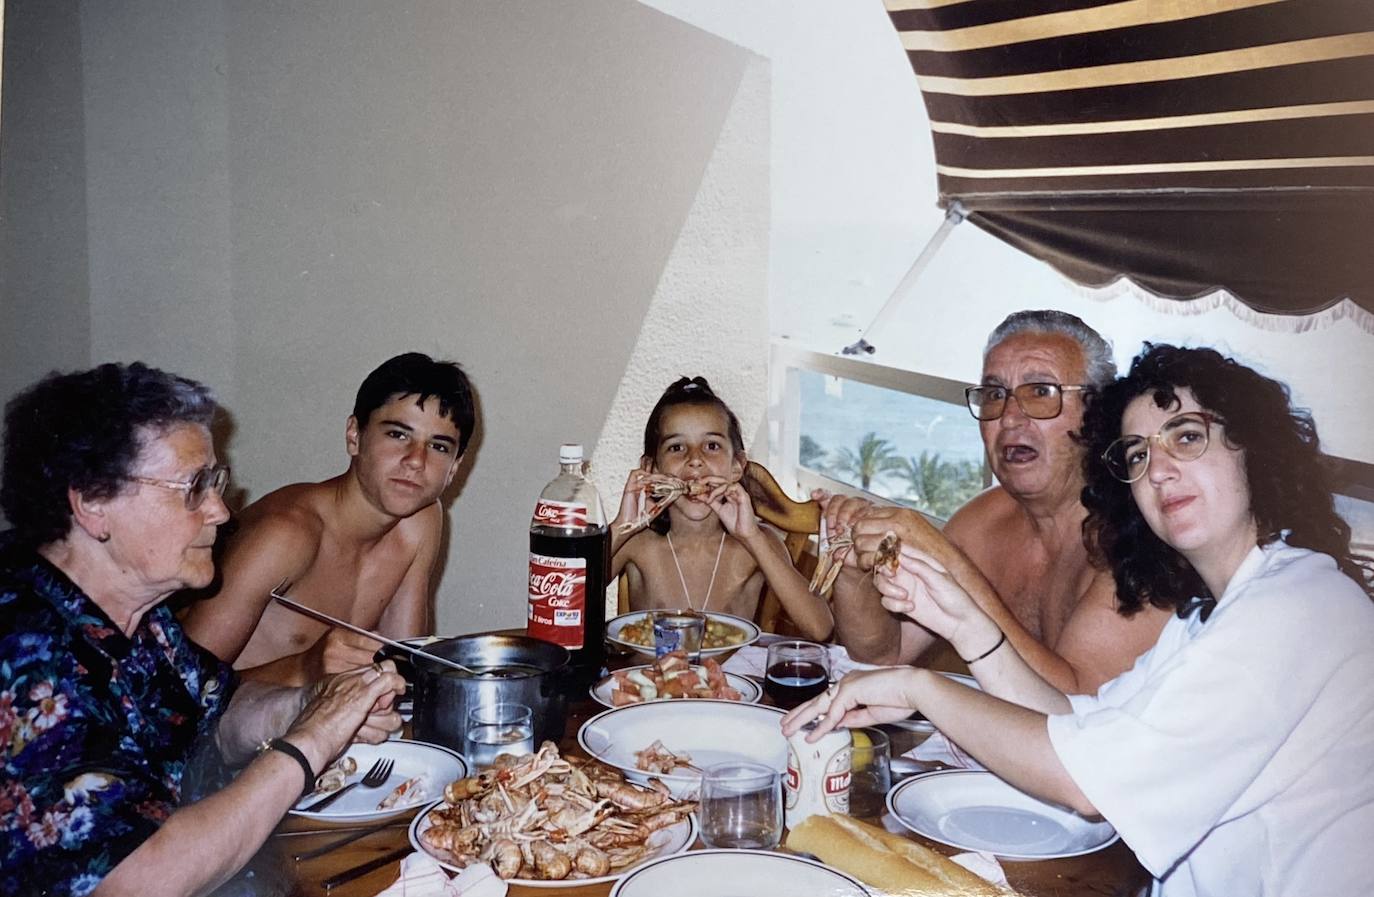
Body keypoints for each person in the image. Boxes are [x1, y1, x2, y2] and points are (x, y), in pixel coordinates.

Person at [785, 344, 1374, 897]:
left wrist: (920, 687)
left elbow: (1084, 783)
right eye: (1138, 454)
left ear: (1257, 452)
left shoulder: (1299, 606)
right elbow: (1079, 721)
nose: (1158, 470)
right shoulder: (1210, 612)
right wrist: (966, 625)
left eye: (1187, 437)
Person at [0, 362, 406, 897]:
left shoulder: (138, 611)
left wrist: (313, 702)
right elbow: (136, 878)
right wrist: (312, 739)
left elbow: (215, 709)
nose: (220, 511)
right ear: (94, 503)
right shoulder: (23, 657)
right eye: (193, 488)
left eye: (215, 483)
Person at [823, 310, 1169, 693]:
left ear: (1097, 413)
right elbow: (884, 656)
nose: (1009, 417)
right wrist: (851, 569)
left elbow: (1073, 714)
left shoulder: (1138, 541)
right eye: (994, 395)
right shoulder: (983, 521)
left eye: (1040, 392)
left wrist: (950, 562)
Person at [182, 352, 475, 685]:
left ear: (453, 467)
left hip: (326, 725)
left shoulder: (420, 520)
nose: (415, 461)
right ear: (354, 435)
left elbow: (403, 670)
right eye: (398, 435)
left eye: (438, 446)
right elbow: (177, 698)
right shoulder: (285, 536)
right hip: (231, 732)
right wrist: (303, 669)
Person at [611, 377, 832, 640]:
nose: (695, 460)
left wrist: (752, 537)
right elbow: (562, 598)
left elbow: (820, 628)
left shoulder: (756, 544)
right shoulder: (636, 543)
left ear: (737, 466)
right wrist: (620, 528)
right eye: (677, 447)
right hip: (645, 679)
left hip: (728, 681)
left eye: (712, 446)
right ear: (651, 469)